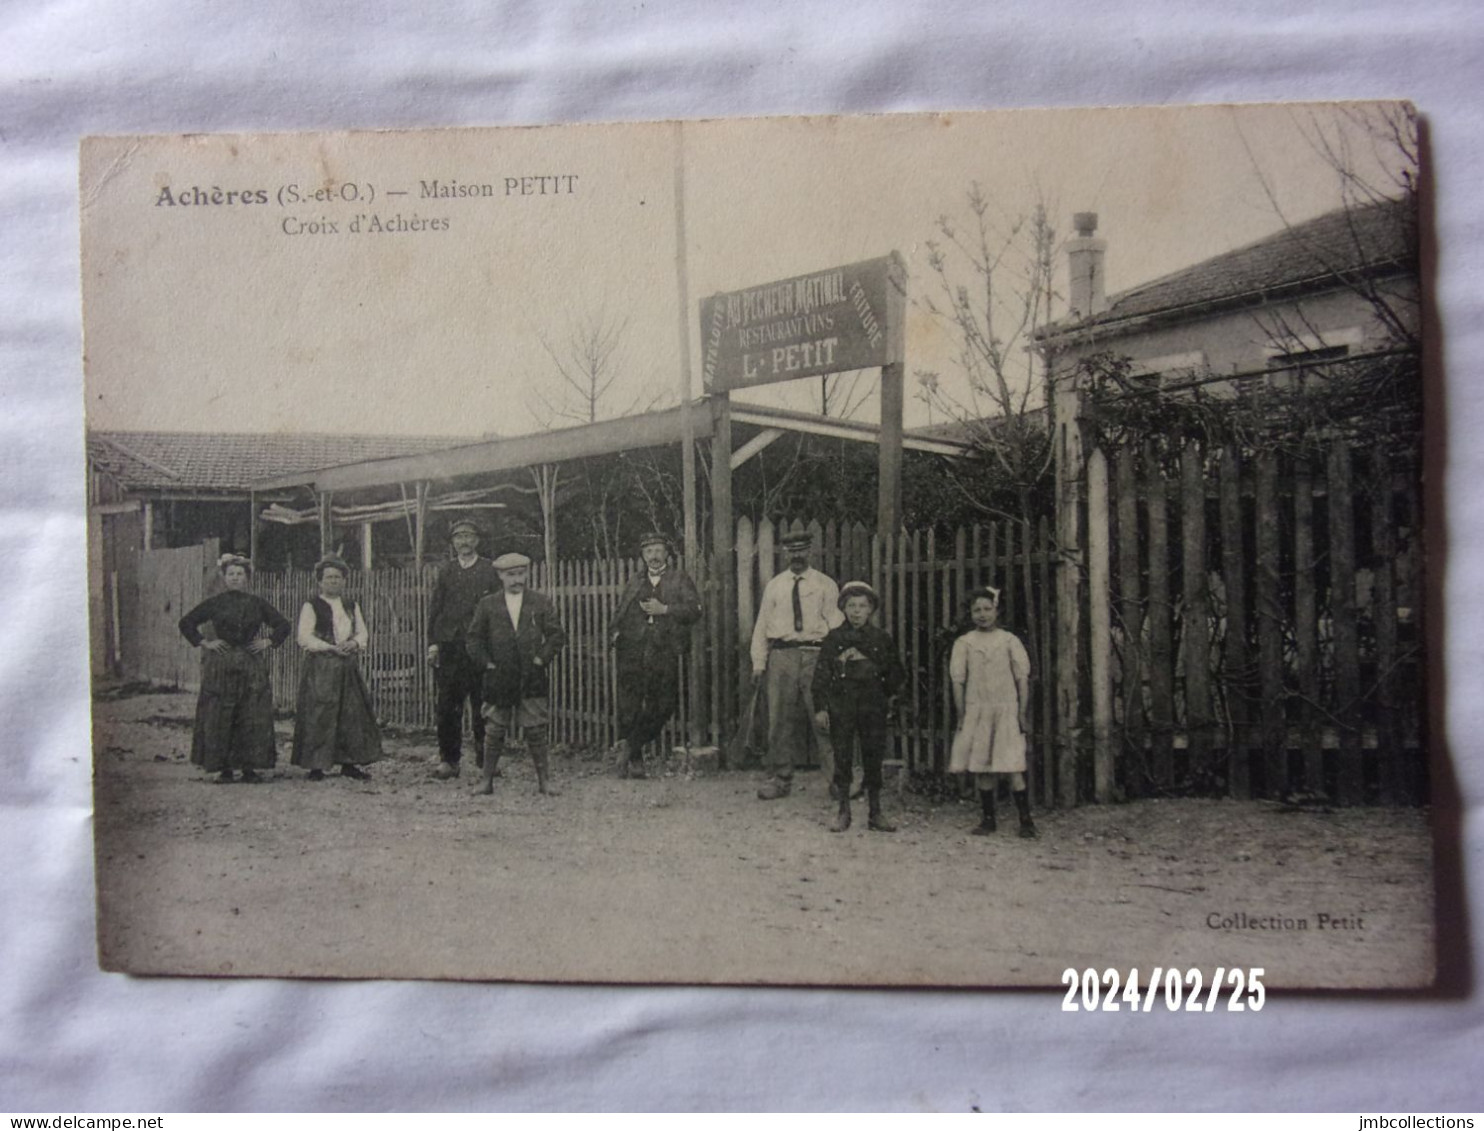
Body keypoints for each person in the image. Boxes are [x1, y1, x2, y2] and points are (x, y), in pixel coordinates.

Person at [177, 553, 292, 784]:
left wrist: (268, 641)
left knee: (252, 714)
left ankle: (250, 768)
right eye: (231, 574)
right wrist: (206, 642)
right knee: (221, 713)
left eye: (240, 574)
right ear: (224, 577)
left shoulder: (257, 604)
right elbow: (186, 622)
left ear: (247, 578)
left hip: (251, 664)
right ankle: (224, 769)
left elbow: (283, 625)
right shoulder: (215, 603)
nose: (235, 578)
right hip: (222, 664)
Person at [749, 530, 842, 800]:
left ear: (810, 551)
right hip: (782, 656)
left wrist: (835, 659)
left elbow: (835, 624)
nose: (797, 555)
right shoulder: (775, 586)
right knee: (779, 719)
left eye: (802, 550)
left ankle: (837, 779)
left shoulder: (825, 584)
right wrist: (759, 663)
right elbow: (762, 625)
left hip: (816, 655)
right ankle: (780, 779)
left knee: (823, 717)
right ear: (785, 553)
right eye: (792, 551)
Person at [466, 552, 567, 796]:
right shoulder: (487, 604)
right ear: (500, 576)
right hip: (498, 675)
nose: (516, 580)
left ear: (527, 574)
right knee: (494, 729)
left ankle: (544, 781)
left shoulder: (540, 602)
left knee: (536, 729)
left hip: (530, 674)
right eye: (511, 575)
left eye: (521, 574)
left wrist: (540, 659)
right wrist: (487, 664)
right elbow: (473, 639)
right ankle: (486, 781)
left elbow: (556, 635)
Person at [812, 581, 906, 833]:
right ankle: (844, 811)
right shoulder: (834, 639)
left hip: (872, 703)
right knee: (842, 755)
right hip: (841, 703)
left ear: (871, 609)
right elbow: (821, 676)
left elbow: (895, 672)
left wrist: (887, 697)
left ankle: (876, 812)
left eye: (862, 606)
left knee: (873, 755)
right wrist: (821, 708)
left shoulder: (880, 638)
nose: (856, 611)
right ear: (843, 608)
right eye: (851, 606)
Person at [609, 531, 702, 778]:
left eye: (659, 551)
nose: (654, 556)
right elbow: (620, 610)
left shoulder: (679, 579)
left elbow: (694, 610)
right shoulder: (635, 581)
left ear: (667, 555)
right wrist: (616, 633)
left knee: (663, 705)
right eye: (649, 551)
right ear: (642, 556)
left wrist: (666, 609)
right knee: (630, 705)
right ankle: (636, 762)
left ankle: (629, 747)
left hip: (663, 649)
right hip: (633, 650)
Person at [948, 586, 1036, 837]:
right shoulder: (964, 643)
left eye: (988, 609)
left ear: (997, 611)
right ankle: (988, 820)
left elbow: (1022, 678)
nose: (982, 614)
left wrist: (1021, 712)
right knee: (982, 766)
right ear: (971, 614)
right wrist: (962, 714)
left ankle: (1026, 820)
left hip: (1005, 709)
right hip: (978, 710)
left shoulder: (1009, 641)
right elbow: (958, 680)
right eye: (977, 610)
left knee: (1013, 767)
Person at [291, 555, 385, 781]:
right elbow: (304, 636)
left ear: (344, 581)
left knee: (350, 713)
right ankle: (316, 765)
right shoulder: (311, 605)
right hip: (321, 666)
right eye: (328, 578)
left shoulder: (351, 605)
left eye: (338, 578)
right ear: (320, 582)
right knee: (320, 713)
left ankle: (349, 763)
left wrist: (353, 643)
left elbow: (362, 632)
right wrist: (331, 648)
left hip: (346, 665)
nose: (333, 582)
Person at [426, 519, 501, 780]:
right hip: (450, 646)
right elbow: (435, 609)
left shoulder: (490, 570)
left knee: (484, 703)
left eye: (468, 536)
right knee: (448, 705)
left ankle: (487, 760)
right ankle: (449, 760)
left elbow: (498, 610)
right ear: (453, 543)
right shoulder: (446, 571)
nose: (464, 541)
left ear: (477, 541)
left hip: (480, 646)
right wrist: (433, 643)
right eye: (458, 537)